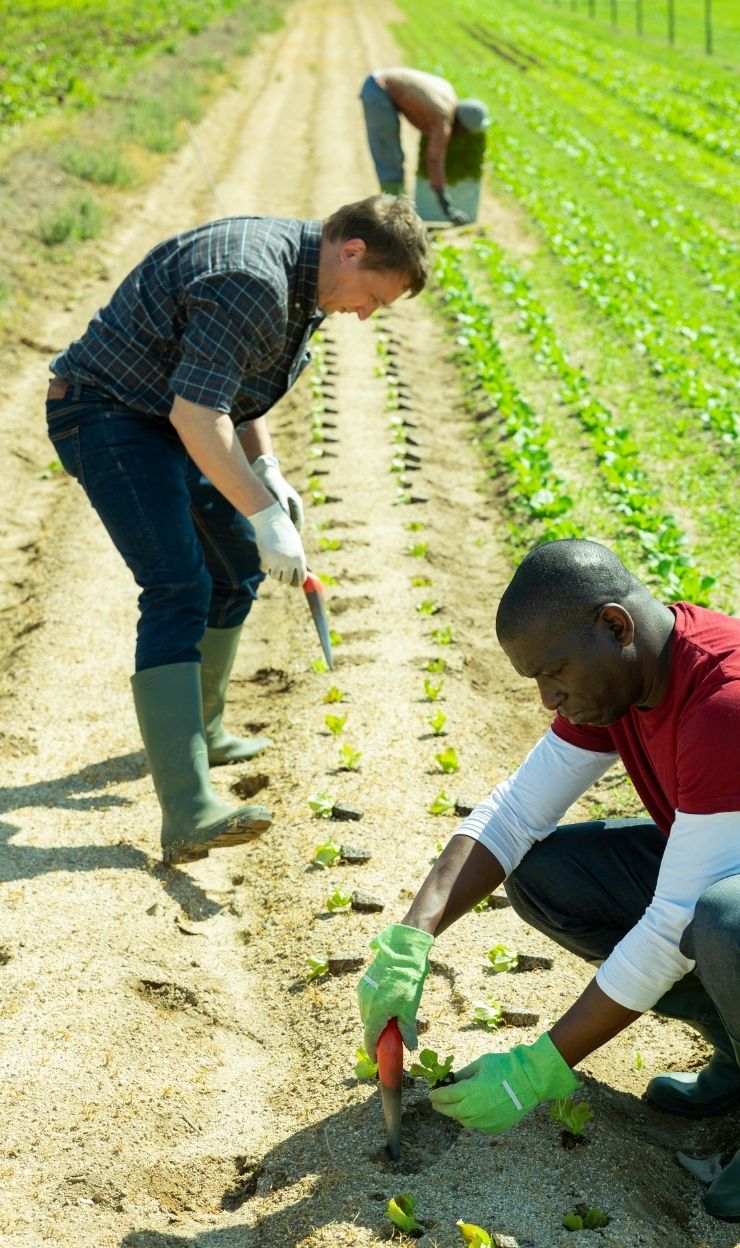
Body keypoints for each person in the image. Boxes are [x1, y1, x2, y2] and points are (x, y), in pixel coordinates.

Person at [357, 539, 740, 1221]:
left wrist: (540, 1066)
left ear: (616, 626)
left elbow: (676, 920)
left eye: (554, 672)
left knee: (729, 921)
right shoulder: (623, 682)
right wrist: (412, 937)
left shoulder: (733, 703)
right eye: (536, 680)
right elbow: (514, 816)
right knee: (547, 875)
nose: (548, 697)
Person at [46, 196, 429, 866]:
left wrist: (268, 472)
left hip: (163, 416)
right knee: (177, 586)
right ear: (354, 251)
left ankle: (208, 728)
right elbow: (199, 417)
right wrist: (260, 512)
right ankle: (188, 811)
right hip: (106, 412)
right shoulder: (255, 281)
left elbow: (231, 392)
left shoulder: (306, 282)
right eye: (374, 298)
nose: (366, 315)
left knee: (234, 566)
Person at [359, 67, 489, 225]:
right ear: (461, 126)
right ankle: (392, 216)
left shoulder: (448, 96)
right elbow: (434, 161)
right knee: (389, 155)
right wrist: (446, 205)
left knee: (394, 156)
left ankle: (397, 208)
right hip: (379, 89)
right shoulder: (443, 122)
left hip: (381, 81)